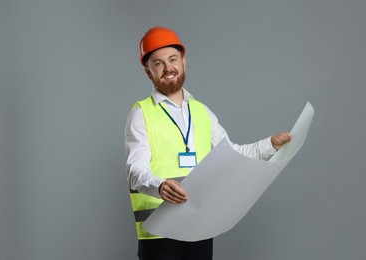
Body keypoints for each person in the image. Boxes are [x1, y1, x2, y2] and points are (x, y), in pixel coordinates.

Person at [125, 26, 292, 260]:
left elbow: (232, 155)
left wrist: (270, 145)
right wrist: (160, 186)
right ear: (148, 71)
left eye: (172, 59)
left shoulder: (202, 112)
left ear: (184, 61)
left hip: (199, 228)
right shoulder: (141, 113)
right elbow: (135, 171)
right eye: (158, 63)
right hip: (159, 234)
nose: (167, 68)